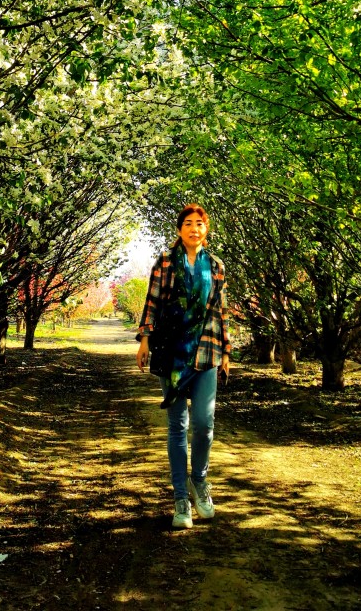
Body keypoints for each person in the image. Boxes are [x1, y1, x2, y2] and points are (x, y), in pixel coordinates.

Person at [136, 204, 231, 529]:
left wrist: (226, 350)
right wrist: (145, 339)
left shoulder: (216, 266)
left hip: (206, 352)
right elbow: (153, 301)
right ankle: (180, 498)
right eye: (188, 223)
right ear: (179, 229)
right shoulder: (165, 263)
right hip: (172, 354)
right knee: (178, 425)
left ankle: (199, 481)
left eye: (199, 224)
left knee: (204, 424)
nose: (194, 228)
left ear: (207, 230)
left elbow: (220, 312)